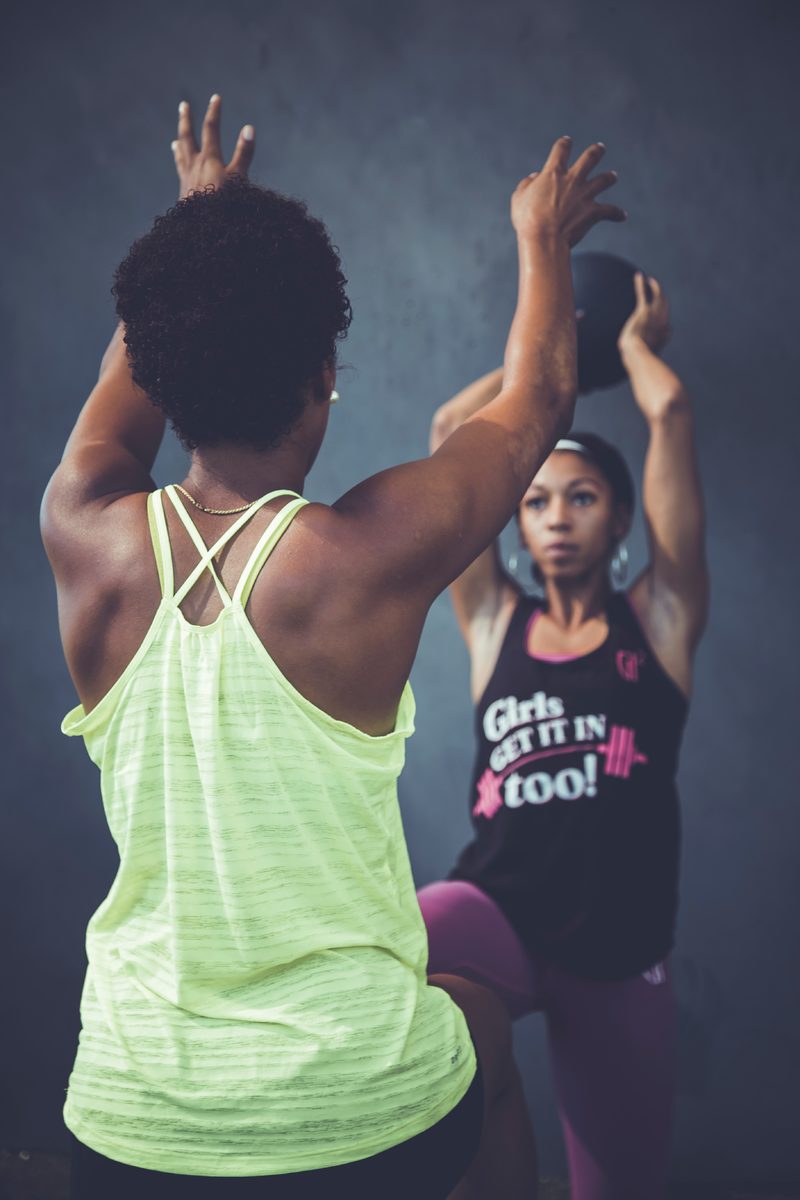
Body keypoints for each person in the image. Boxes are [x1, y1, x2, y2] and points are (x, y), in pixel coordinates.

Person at [40, 93, 625, 1199]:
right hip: (360, 1124)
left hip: (128, 1128)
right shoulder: (366, 555)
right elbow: (540, 396)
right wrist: (541, 238)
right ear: (323, 376)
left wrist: (196, 223)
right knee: (481, 1028)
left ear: (161, 371)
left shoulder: (83, 532)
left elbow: (127, 393)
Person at [418, 273, 709, 1200]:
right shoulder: (492, 622)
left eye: (580, 498)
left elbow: (669, 411)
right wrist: (545, 359)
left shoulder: (660, 620)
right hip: (498, 911)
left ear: (620, 517)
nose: (555, 518)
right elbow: (448, 432)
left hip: (618, 944)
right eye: (536, 500)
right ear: (516, 520)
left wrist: (626, 349)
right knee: (382, 942)